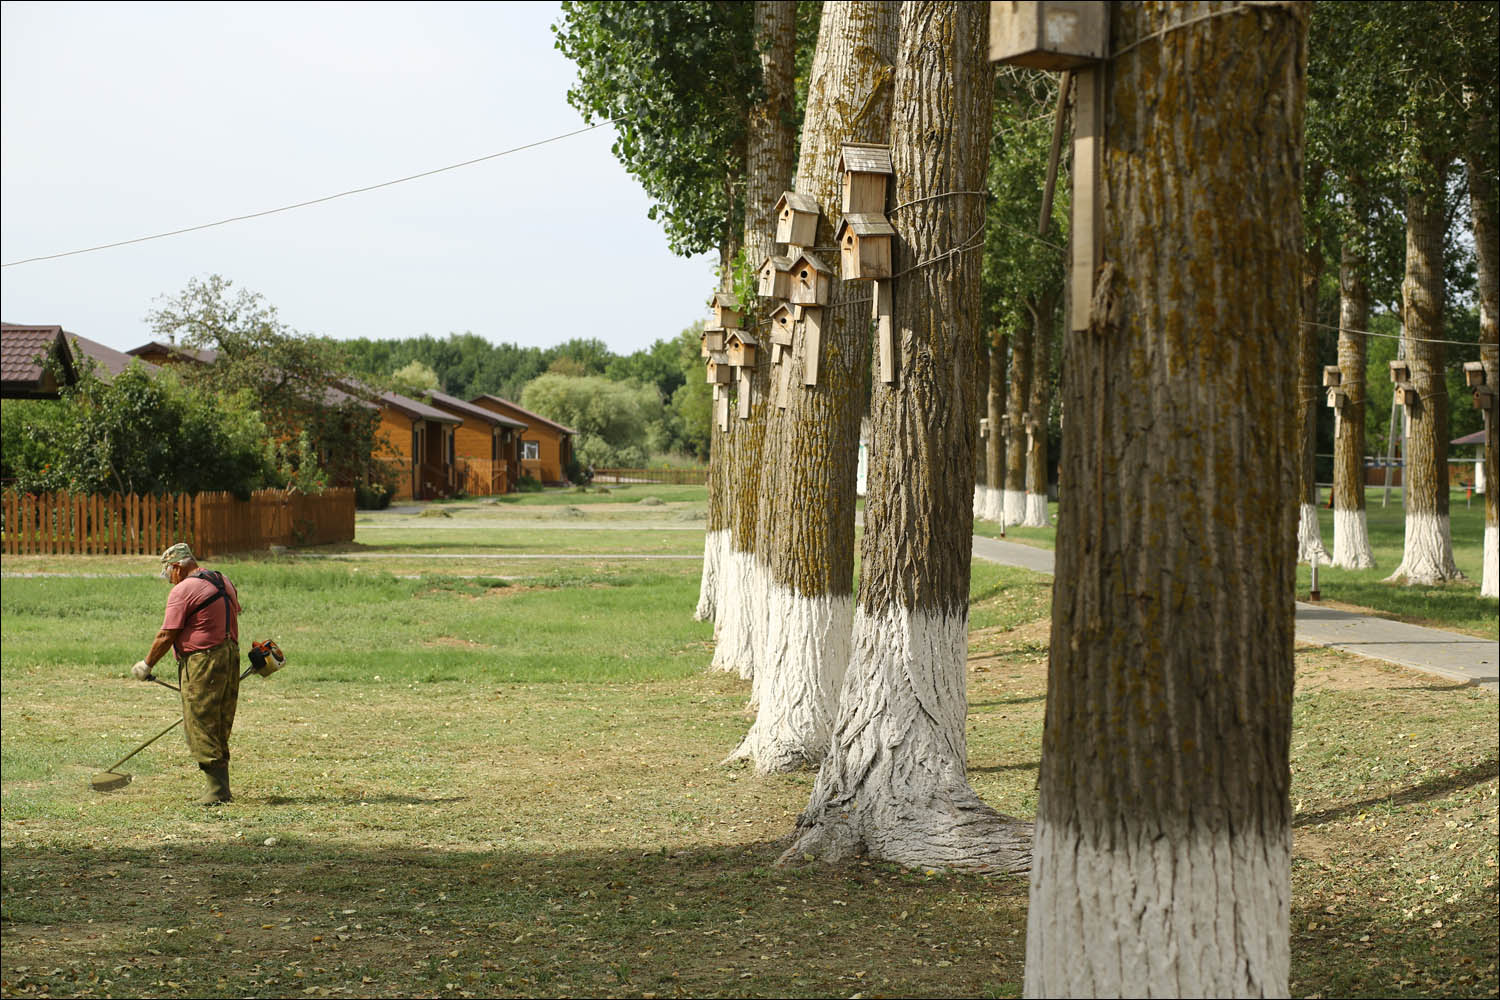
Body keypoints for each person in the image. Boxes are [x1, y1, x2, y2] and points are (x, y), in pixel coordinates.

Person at [134, 542, 242, 805]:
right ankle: (219, 787)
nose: (169, 580)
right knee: (219, 718)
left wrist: (147, 664)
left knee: (200, 720)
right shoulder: (222, 580)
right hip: (229, 655)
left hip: (203, 661)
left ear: (177, 567)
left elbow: (167, 634)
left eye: (168, 573)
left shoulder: (183, 590)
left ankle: (217, 791)